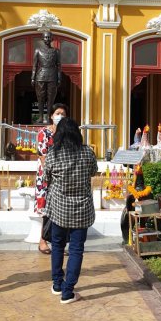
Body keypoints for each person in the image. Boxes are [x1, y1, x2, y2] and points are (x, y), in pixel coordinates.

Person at [44, 117, 98, 304]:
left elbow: (46, 177)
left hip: (59, 208)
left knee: (57, 245)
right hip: (81, 208)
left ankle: (58, 284)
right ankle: (68, 291)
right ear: (77, 133)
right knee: (76, 249)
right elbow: (93, 171)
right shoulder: (87, 153)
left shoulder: (53, 154)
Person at [35, 103, 69, 254]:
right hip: (47, 176)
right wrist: (52, 175)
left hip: (63, 176)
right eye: (57, 113)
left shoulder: (67, 133)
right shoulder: (44, 133)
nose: (60, 116)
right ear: (51, 115)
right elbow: (43, 156)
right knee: (46, 209)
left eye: (63, 113)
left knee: (60, 209)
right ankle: (42, 240)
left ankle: (58, 243)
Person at [31, 31, 62, 124]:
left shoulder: (56, 51)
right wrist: (33, 77)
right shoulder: (38, 50)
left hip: (52, 75)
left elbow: (59, 65)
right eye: (45, 37)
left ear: (52, 39)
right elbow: (34, 65)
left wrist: (59, 77)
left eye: (49, 37)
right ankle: (40, 117)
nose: (47, 39)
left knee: (51, 98)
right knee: (40, 97)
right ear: (43, 39)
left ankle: (49, 117)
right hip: (40, 76)